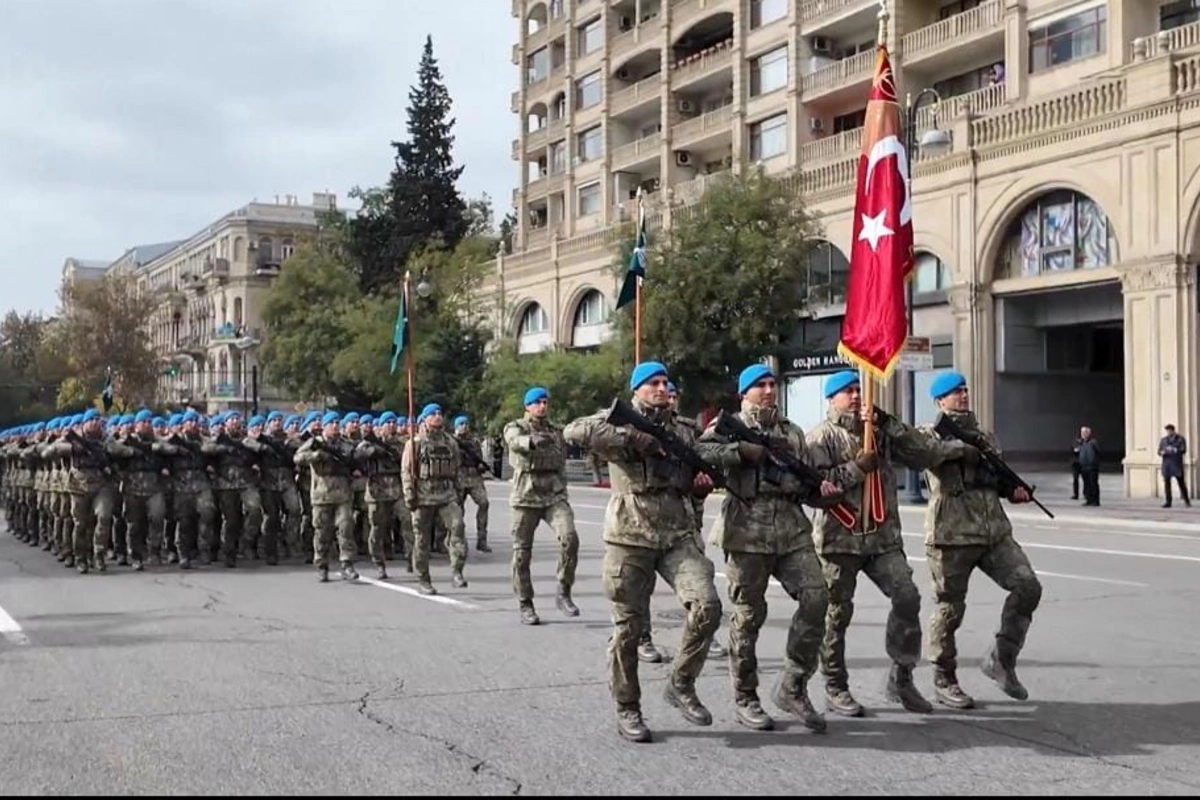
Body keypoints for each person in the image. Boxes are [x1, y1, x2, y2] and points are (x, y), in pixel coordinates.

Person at [564, 362, 723, 744]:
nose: (662, 388)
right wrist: (631, 438)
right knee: (628, 629)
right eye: (653, 383)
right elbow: (574, 430)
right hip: (629, 534)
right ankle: (628, 706)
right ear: (637, 390)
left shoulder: (684, 428)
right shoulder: (619, 420)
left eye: (665, 382)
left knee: (708, 606)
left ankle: (681, 683)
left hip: (677, 534)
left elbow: (700, 469)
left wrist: (701, 485)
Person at [806, 370, 970, 717]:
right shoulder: (821, 437)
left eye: (858, 390)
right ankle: (836, 685)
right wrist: (855, 468)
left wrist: (886, 422)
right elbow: (814, 487)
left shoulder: (879, 433)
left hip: (882, 539)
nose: (855, 396)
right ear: (831, 399)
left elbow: (924, 453)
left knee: (907, 597)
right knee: (836, 615)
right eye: (847, 391)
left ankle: (902, 676)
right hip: (840, 540)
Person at [697, 363, 840, 731]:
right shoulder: (727, 426)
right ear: (744, 393)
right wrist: (741, 452)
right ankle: (746, 696)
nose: (768, 390)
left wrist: (823, 493)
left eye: (772, 383)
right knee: (748, 616)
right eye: (759, 385)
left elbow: (809, 482)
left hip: (792, 530)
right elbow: (701, 453)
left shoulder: (791, 431)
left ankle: (793, 685)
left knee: (817, 599)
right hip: (746, 531)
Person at [921, 371, 1043, 706]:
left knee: (1028, 586)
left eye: (964, 389)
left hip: (993, 533)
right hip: (951, 534)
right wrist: (964, 448)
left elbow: (996, 479)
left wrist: (1013, 492)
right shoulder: (929, 433)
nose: (962, 395)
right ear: (939, 401)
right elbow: (927, 455)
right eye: (953, 392)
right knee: (950, 609)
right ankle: (944, 678)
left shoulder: (985, 435)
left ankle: (1002, 659)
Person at [502, 388, 579, 625]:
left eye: (545, 402)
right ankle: (525, 602)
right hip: (525, 496)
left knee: (570, 538)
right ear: (527, 406)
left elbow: (563, 461)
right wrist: (531, 442)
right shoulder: (516, 426)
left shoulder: (556, 431)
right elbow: (513, 441)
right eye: (537, 402)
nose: (542, 406)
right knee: (521, 553)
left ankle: (563, 590)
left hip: (553, 495)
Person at [1158, 424, 1191, 508]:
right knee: (1167, 483)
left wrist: (1175, 450)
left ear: (1173, 430)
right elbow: (1159, 451)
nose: (1168, 432)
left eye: (1169, 431)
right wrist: (1162, 452)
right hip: (1167, 464)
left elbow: (1183, 450)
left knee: (1181, 483)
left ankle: (1186, 500)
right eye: (1167, 431)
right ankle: (1168, 502)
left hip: (1176, 463)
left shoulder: (1180, 439)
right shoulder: (1164, 440)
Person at [1077, 426, 1101, 507]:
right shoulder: (1081, 443)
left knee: (1093, 484)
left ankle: (1095, 500)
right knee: (1086, 484)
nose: (1083, 434)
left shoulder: (1093, 442)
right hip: (1084, 467)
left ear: (1089, 433)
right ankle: (1088, 500)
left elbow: (1099, 453)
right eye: (1082, 433)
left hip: (1092, 467)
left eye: (1085, 432)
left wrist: (1095, 462)